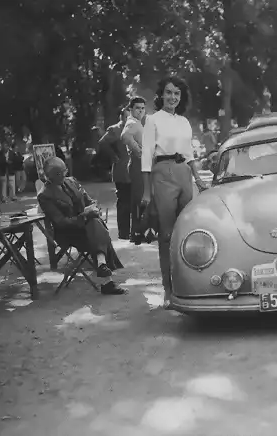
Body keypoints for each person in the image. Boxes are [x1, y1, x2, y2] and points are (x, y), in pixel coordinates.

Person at [141, 76, 208, 308]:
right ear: (161, 95)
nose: (172, 97)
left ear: (181, 97)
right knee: (167, 234)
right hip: (162, 172)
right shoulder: (152, 120)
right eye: (169, 93)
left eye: (176, 94)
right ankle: (168, 290)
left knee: (187, 231)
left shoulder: (184, 122)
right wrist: (147, 192)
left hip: (183, 173)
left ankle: (188, 286)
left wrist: (198, 178)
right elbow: (146, 155)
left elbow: (189, 153)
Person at [37, 157, 125, 295]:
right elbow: (61, 222)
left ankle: (103, 267)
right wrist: (84, 215)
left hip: (87, 226)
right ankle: (105, 276)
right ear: (50, 176)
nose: (63, 175)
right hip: (69, 233)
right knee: (96, 226)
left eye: (64, 171)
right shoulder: (45, 195)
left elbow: (88, 200)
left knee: (94, 223)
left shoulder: (71, 181)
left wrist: (93, 208)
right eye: (59, 174)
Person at [98, 106, 132, 240]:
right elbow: (102, 143)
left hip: (134, 170)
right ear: (121, 117)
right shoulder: (115, 129)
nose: (128, 119)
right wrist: (113, 156)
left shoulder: (134, 128)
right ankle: (123, 233)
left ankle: (135, 230)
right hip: (122, 171)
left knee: (135, 201)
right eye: (125, 116)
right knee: (124, 202)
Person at [120, 97, 147, 243]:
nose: (141, 110)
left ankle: (139, 231)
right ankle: (136, 233)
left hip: (139, 164)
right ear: (131, 109)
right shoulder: (132, 122)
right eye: (138, 108)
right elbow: (124, 137)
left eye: (143, 108)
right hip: (137, 164)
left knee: (140, 198)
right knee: (138, 199)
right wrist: (139, 151)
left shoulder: (136, 122)